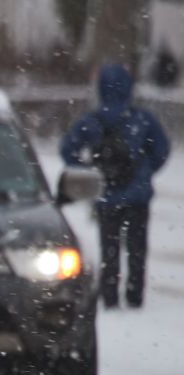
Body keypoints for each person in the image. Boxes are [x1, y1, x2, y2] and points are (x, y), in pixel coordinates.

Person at [61, 63, 172, 309]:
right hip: (137, 197)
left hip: (105, 195)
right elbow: (162, 150)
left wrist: (89, 171)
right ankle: (134, 295)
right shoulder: (142, 119)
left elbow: (67, 149)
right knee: (136, 248)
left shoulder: (91, 121)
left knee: (109, 248)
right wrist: (144, 171)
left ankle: (109, 295)